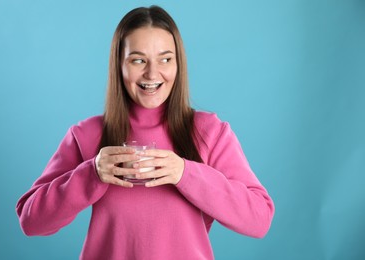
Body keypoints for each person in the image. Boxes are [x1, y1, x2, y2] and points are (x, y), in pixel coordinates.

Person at [16, 5, 275, 260]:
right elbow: (31, 221)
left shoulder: (209, 132)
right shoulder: (87, 135)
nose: (152, 73)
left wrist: (185, 173)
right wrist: (92, 173)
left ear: (178, 64)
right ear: (119, 65)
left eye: (165, 59)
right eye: (138, 60)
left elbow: (259, 219)